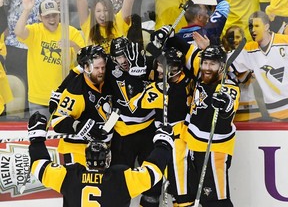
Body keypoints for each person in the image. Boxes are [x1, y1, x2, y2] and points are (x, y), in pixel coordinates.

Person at [28, 111, 174, 207]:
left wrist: (36, 138)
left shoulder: (70, 176)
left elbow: (39, 166)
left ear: (86, 159)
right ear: (109, 159)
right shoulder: (121, 179)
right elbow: (153, 172)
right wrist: (163, 144)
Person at [130, 47, 194, 206]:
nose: (158, 69)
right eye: (158, 65)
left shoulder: (160, 90)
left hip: (172, 141)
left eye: (162, 66)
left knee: (176, 187)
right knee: (173, 187)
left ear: (174, 69)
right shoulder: (188, 77)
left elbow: (134, 104)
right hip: (179, 139)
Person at [181, 45, 240, 207]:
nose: (207, 68)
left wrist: (224, 104)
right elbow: (185, 50)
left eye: (212, 64)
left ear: (222, 66)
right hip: (195, 147)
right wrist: (167, 35)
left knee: (217, 201)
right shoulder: (202, 74)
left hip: (214, 151)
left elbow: (229, 105)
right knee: (205, 199)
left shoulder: (228, 86)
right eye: (205, 63)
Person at [14, 0, 85, 119]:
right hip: (38, 99)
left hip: (63, 97)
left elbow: (85, 59)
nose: (52, 19)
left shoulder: (71, 31)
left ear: (59, 15)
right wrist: (26, 10)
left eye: (54, 15)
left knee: (60, 135)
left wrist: (73, 45)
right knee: (38, 136)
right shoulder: (35, 30)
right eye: (47, 16)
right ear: (40, 17)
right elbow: (18, 32)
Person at [51, 45, 113, 167]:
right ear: (86, 67)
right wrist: (78, 125)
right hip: (77, 153)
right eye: (96, 68)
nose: (101, 71)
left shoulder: (105, 80)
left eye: (103, 67)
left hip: (101, 151)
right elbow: (57, 121)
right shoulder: (76, 90)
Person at [4, 0, 59, 117]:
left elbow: (55, 12)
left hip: (39, 44)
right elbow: (4, 7)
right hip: (14, 45)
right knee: (18, 89)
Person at [232, 11, 288, 121]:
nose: (253, 30)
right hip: (275, 113)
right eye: (250, 26)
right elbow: (224, 62)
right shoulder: (248, 49)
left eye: (256, 26)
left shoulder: (284, 42)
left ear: (266, 26)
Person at [73, 0, 138, 53]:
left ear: (111, 11)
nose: (102, 15)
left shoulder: (118, 22)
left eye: (106, 10)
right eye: (98, 11)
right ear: (93, 13)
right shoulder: (88, 23)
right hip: (95, 64)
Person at [222, 25, 262, 121]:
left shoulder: (249, 54)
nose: (235, 40)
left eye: (238, 37)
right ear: (227, 39)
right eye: (231, 38)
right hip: (237, 103)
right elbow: (242, 79)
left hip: (252, 103)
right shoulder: (227, 56)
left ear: (243, 38)